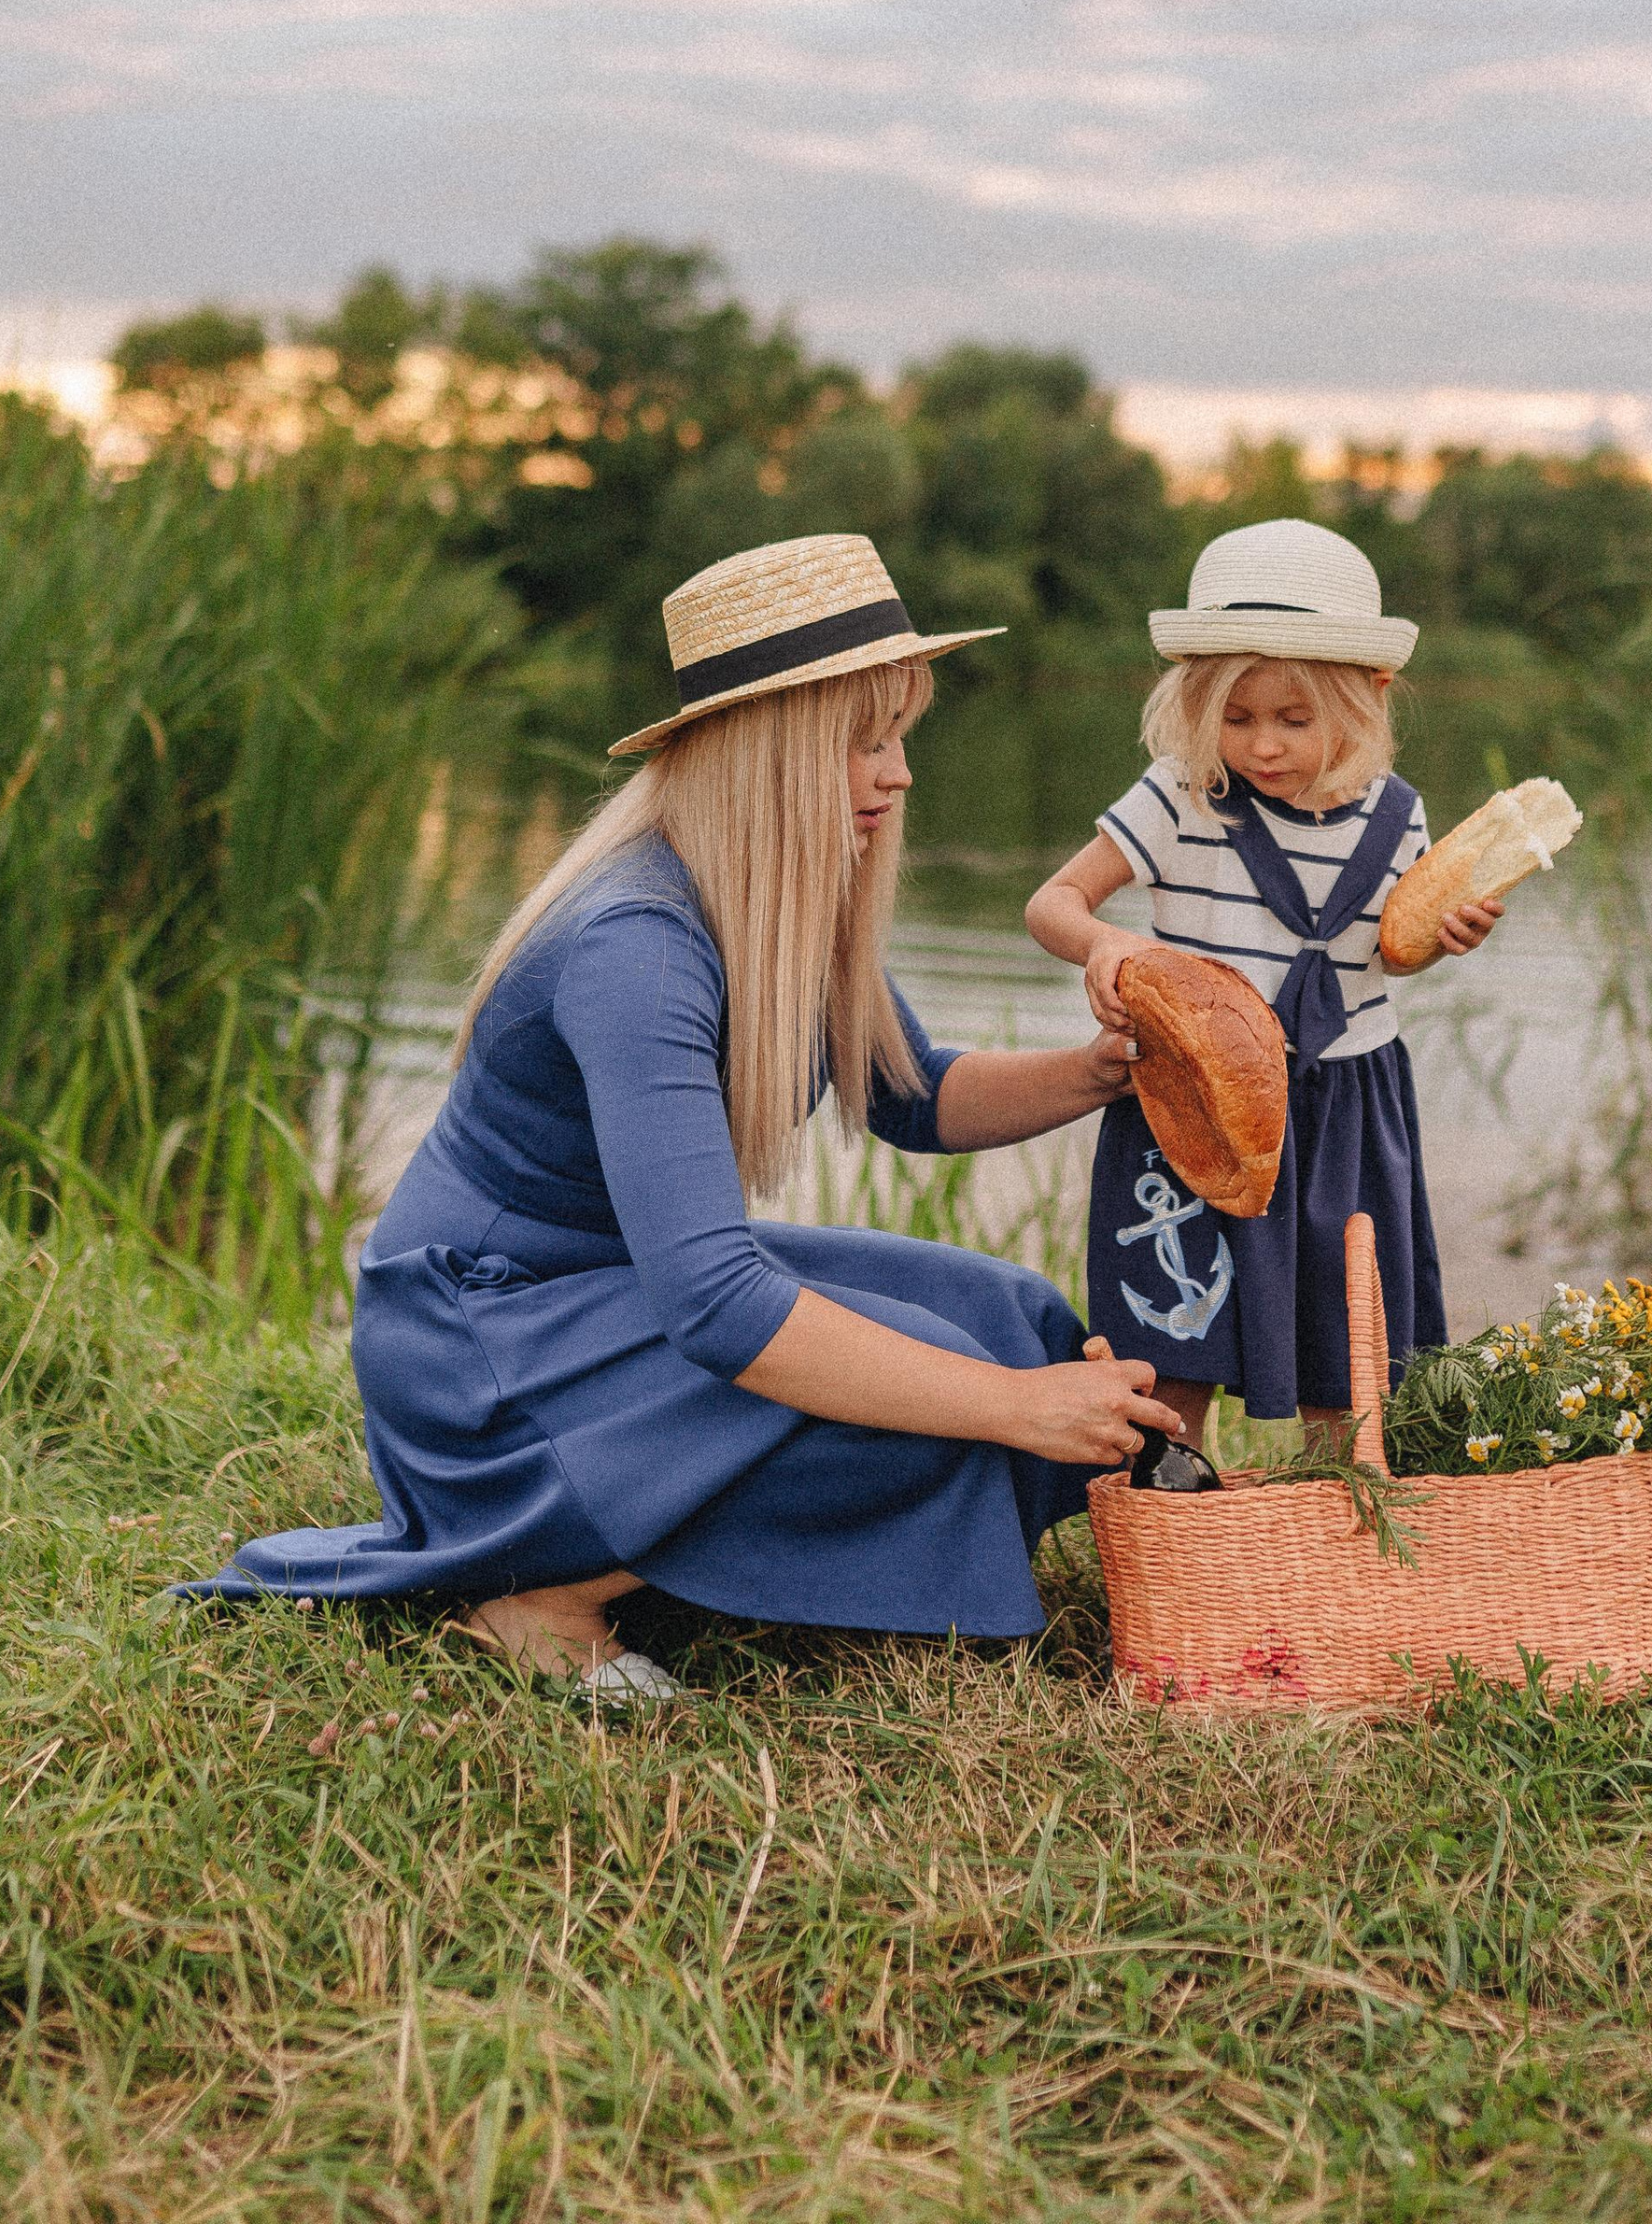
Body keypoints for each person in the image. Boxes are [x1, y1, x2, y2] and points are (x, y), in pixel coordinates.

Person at [189, 533, 1179, 1695]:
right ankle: (545, 1596)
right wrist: (1014, 1412)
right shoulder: (634, 946)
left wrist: (1105, 1070)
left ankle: (708, 1547)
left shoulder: (782, 899)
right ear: (766, 754)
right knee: (973, 1375)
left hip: (613, 1292)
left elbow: (914, 1092)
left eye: (899, 736)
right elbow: (718, 1305)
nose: (898, 775)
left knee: (1013, 1318)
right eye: (864, 742)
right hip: (483, 1349)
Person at [1025, 518, 1501, 1458]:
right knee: (1174, 1329)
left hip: (1345, 1108)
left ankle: (1336, 1505)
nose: (1263, 745)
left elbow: (1388, 955)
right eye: (1236, 719)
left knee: (1348, 1332)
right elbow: (1054, 902)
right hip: (1191, 1102)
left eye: (1292, 720)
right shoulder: (1179, 796)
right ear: (1197, 706)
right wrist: (1106, 949)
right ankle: (1170, 1502)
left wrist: (1444, 941)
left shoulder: (1401, 819)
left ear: (1365, 702)